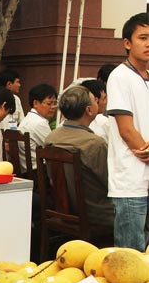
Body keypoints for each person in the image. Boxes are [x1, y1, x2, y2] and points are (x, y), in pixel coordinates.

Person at [106, 12, 149, 251]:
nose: (148, 43)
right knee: (130, 254)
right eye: (143, 37)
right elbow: (127, 130)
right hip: (131, 180)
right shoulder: (119, 77)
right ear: (127, 43)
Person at [45, 85, 114, 229]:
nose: (97, 102)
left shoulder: (52, 137)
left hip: (62, 208)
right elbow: (111, 183)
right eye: (95, 100)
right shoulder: (94, 143)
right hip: (96, 213)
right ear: (89, 110)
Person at [17, 83, 58, 174]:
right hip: (38, 173)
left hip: (26, 170)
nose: (53, 107)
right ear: (35, 103)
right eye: (49, 103)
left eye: (55, 103)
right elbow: (54, 149)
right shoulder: (39, 123)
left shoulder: (27, 119)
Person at [82, 78, 109, 143]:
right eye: (104, 98)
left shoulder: (64, 124)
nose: (106, 102)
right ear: (95, 100)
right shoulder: (103, 122)